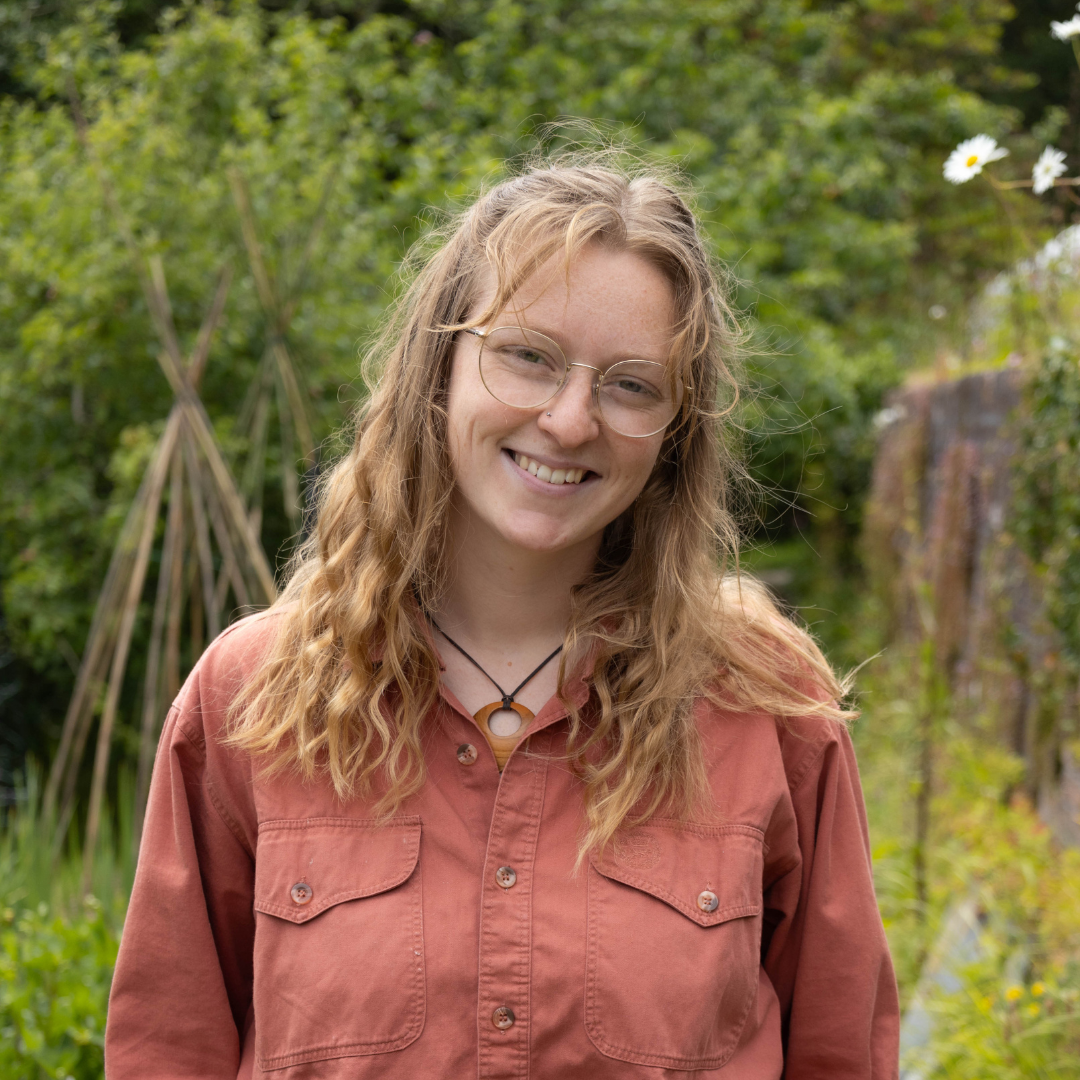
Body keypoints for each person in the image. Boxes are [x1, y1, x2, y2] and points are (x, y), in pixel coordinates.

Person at [105, 159, 900, 1079]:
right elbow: (170, 1048)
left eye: (631, 385)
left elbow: (844, 1050)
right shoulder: (253, 700)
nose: (569, 421)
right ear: (437, 366)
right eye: (528, 355)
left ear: (676, 433)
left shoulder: (766, 708)